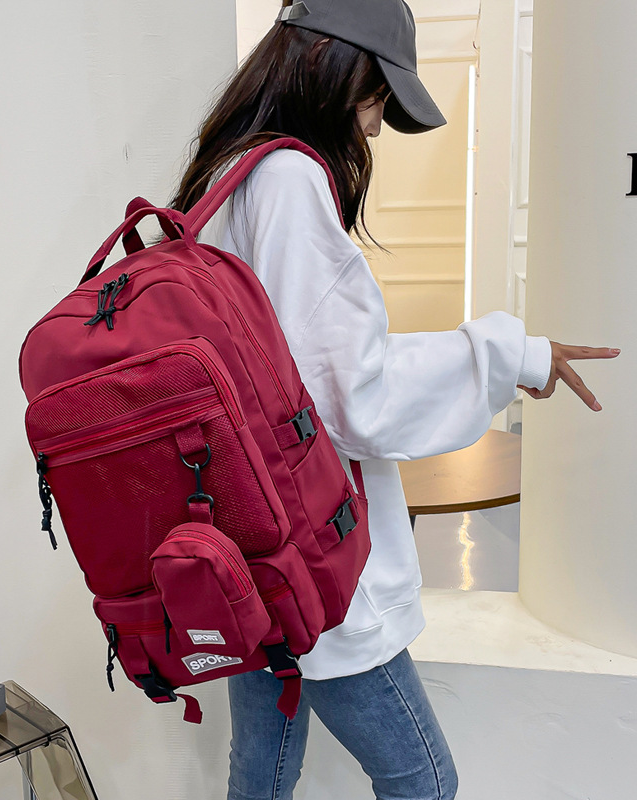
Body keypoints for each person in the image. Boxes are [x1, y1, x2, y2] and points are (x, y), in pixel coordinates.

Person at [170, 1, 620, 798]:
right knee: (425, 781)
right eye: (376, 97)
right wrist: (507, 352)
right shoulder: (289, 180)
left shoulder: (225, 173)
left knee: (261, 774)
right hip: (312, 554)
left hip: (247, 536)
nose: (375, 126)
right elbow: (352, 397)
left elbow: (300, 372)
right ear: (333, 67)